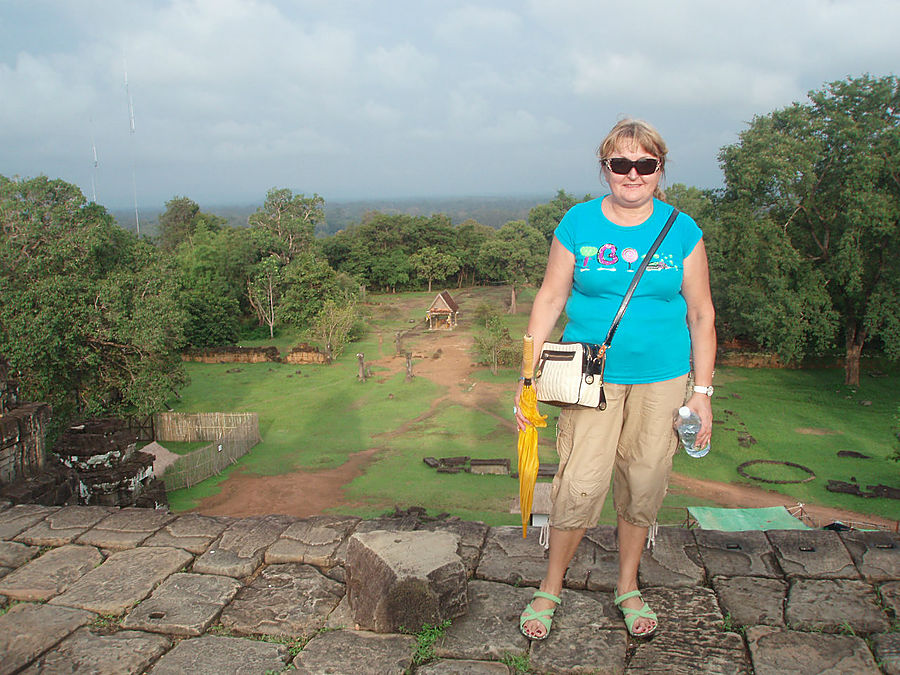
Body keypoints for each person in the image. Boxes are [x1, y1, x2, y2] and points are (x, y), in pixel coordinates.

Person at [514, 118, 716, 640]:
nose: (632, 174)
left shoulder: (681, 229)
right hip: (588, 378)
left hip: (663, 380)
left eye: (644, 165)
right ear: (605, 169)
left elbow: (701, 315)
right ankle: (551, 586)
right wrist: (525, 377)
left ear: (659, 170)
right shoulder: (578, 224)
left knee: (644, 482)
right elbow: (551, 299)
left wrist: (703, 394)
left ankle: (627, 584)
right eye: (620, 164)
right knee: (579, 484)